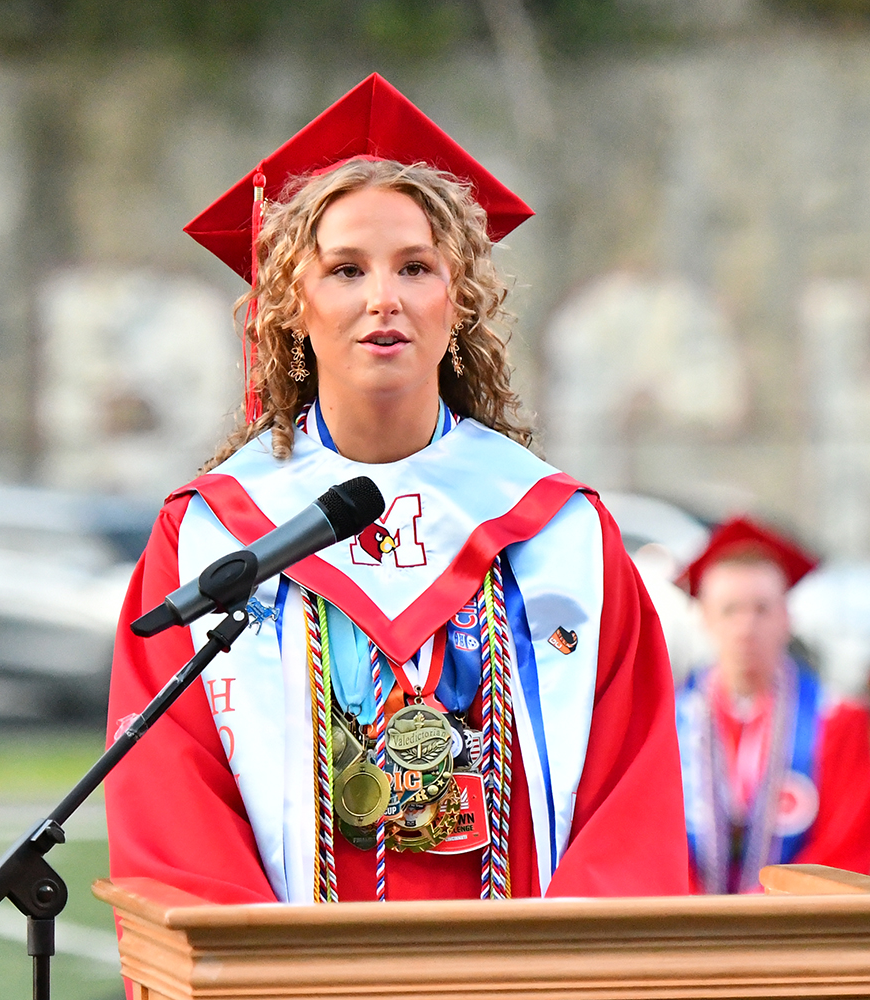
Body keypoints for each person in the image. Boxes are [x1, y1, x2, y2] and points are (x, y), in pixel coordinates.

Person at [104, 73, 688, 908]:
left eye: (415, 267)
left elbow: (633, 799)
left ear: (459, 303)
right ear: (289, 308)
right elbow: (171, 799)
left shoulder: (560, 533)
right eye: (345, 270)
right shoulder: (212, 539)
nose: (384, 298)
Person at [675, 516, 870, 893]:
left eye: (762, 609)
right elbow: (649, 837)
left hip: (795, 934)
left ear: (786, 617)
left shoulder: (837, 722)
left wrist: (770, 910)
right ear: (704, 617)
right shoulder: (668, 723)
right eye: (731, 610)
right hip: (689, 932)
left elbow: (848, 846)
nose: (746, 626)